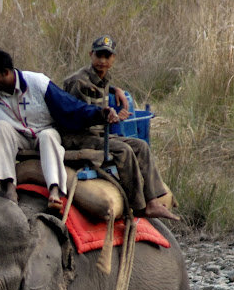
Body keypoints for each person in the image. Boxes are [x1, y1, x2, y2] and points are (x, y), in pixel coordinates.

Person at [0, 47, 118, 210]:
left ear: (6, 72)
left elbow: (70, 106)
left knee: (47, 136)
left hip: (44, 131)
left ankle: (54, 190)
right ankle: (9, 187)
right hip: (19, 138)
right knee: (1, 126)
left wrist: (100, 113)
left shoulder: (37, 82)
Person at [62, 35, 179, 220]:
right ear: (90, 54)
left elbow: (101, 87)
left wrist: (116, 90)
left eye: (107, 57)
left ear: (113, 59)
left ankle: (153, 200)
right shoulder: (78, 82)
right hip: (79, 136)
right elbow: (76, 116)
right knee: (123, 150)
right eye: (98, 56)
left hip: (99, 134)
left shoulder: (103, 78)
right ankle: (139, 206)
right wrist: (107, 117)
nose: (102, 61)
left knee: (141, 146)